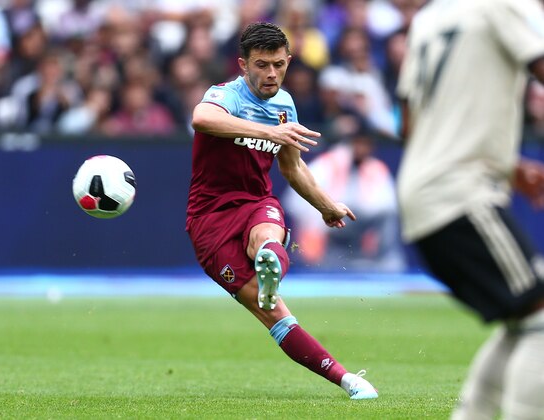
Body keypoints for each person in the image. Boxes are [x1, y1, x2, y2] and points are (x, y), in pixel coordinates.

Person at [185, 21, 378, 400]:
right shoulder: (225, 95)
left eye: (278, 64)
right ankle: (340, 375)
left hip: (257, 203)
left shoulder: (285, 105)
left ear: (288, 60)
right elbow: (201, 119)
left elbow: (291, 166)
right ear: (243, 65)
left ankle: (350, 381)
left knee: (267, 237)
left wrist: (326, 206)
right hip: (209, 220)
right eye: (261, 65)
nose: (271, 73)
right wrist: (269, 132)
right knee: (273, 313)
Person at [396, 1, 544, 418]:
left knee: (524, 318)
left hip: (424, 192)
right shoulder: (503, 5)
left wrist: (509, 168)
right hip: (459, 194)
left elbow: (408, 124)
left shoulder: (429, 18)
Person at [283, 124, 406, 272]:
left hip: (360, 225)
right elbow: (294, 201)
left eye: (367, 144)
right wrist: (323, 212)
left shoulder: (375, 168)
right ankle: (322, 261)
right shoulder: (329, 163)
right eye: (359, 143)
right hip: (329, 224)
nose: (362, 148)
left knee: (387, 216)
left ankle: (387, 265)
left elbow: (388, 206)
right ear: (351, 143)